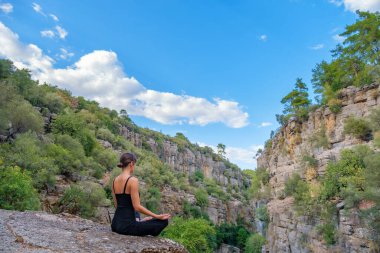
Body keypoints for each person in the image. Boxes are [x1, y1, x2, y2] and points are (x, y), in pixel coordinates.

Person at [111, 152, 171, 236]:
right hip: (127, 227)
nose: (134, 167)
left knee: (135, 213)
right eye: (134, 164)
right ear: (131, 163)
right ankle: (140, 225)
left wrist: (140, 220)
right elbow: (137, 207)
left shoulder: (114, 181)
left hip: (115, 224)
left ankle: (139, 222)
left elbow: (117, 206)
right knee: (163, 221)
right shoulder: (132, 180)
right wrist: (157, 216)